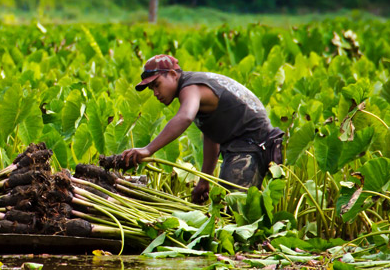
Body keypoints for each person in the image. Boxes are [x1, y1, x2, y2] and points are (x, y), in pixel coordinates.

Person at [120, 54, 283, 204]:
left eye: (157, 85)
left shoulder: (190, 87)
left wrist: (148, 150)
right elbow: (212, 137)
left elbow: (185, 117)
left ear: (172, 74)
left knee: (234, 215)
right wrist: (205, 180)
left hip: (252, 145)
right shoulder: (197, 85)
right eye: (152, 89)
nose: (155, 93)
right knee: (232, 210)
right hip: (248, 145)